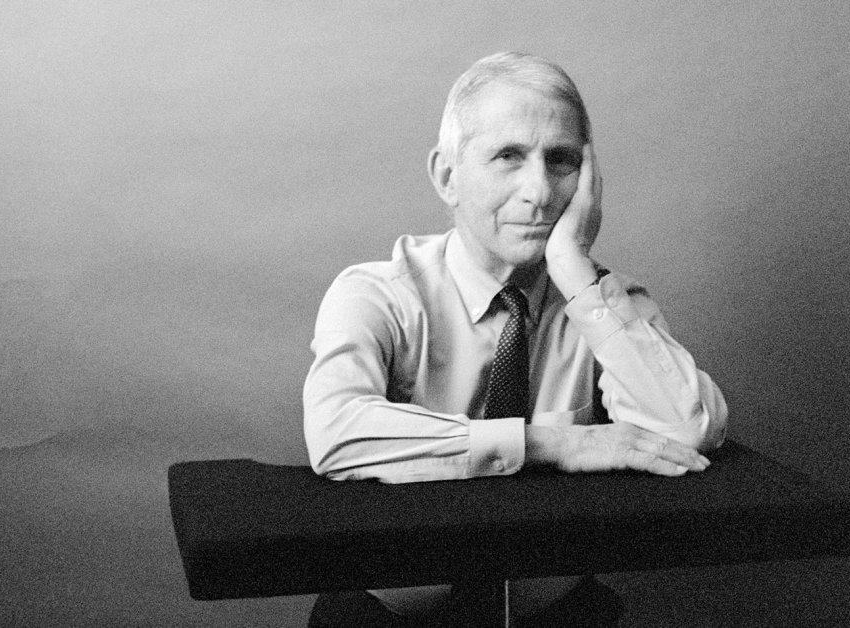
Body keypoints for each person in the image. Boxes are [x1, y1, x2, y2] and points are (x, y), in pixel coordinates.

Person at [303, 51, 728, 627]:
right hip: (384, 617)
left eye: (562, 161)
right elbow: (336, 431)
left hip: (557, 615)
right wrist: (552, 444)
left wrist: (575, 272)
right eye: (509, 156)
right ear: (447, 177)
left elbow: (687, 432)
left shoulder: (605, 304)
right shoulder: (378, 294)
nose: (540, 191)